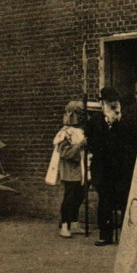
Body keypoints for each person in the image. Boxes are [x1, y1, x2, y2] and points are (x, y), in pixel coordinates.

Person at [85, 86, 134, 246]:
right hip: (103, 168)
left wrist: (118, 123)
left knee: (125, 198)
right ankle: (105, 234)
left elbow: (130, 142)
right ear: (103, 103)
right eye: (109, 102)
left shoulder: (126, 119)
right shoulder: (95, 122)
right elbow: (92, 144)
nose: (113, 105)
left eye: (115, 101)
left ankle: (128, 234)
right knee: (105, 201)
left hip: (121, 168)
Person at [48, 101, 86, 238]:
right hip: (70, 167)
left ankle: (74, 222)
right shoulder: (65, 133)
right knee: (70, 196)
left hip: (81, 167)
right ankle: (64, 225)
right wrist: (80, 145)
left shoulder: (82, 130)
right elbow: (65, 153)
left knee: (80, 194)